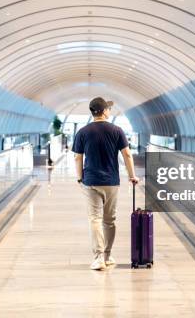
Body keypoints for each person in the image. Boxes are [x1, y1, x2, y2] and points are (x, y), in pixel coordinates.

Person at [72, 97, 139, 270]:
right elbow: (127, 155)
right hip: (111, 182)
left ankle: (98, 258)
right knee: (109, 221)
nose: (110, 111)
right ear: (104, 111)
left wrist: (79, 177)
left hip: (91, 181)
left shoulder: (83, 132)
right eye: (109, 108)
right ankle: (108, 256)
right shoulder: (117, 130)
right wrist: (132, 176)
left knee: (95, 219)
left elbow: (78, 157)